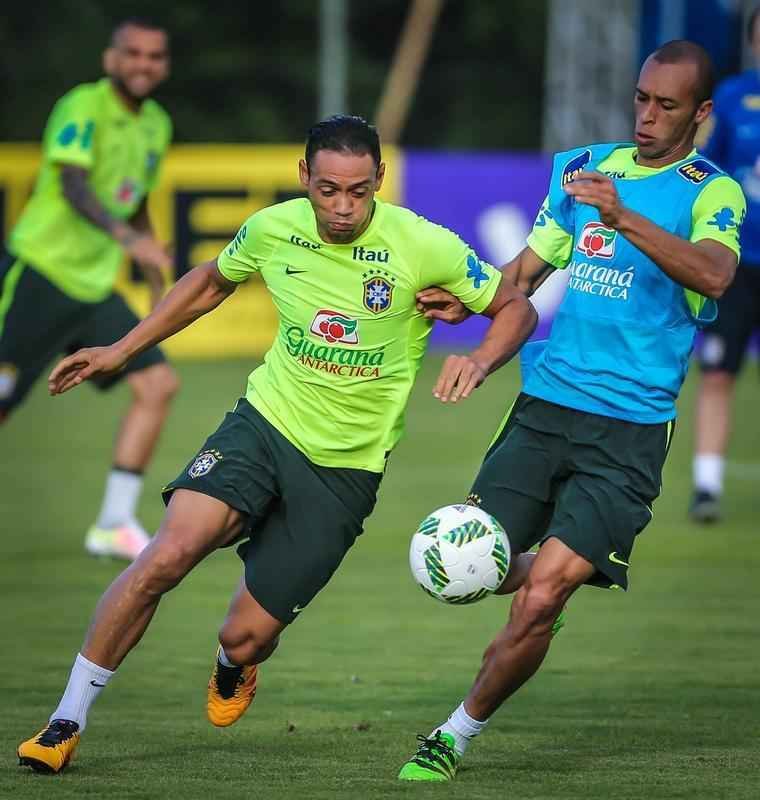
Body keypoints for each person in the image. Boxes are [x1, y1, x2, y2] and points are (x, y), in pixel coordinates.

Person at [16, 114, 537, 774]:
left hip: (344, 473)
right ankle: (65, 721)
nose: (342, 207)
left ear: (379, 181)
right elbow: (210, 281)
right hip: (263, 426)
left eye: (358, 191)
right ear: (303, 179)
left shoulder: (421, 244)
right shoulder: (272, 228)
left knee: (246, 635)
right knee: (165, 556)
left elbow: (514, 306)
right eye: (327, 190)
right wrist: (121, 349)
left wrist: (482, 360)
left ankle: (234, 664)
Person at [399, 40, 745, 782]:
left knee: (541, 601)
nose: (648, 116)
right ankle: (537, 561)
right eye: (642, 100)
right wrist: (466, 303)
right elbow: (527, 270)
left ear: (702, 114)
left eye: (668, 105)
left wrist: (625, 220)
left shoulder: (711, 192)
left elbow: (715, 275)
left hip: (629, 433)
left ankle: (452, 736)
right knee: (482, 569)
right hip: (544, 410)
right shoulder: (586, 170)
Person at [0, 18, 178, 560]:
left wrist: (151, 263)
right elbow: (72, 184)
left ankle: (113, 522)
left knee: (159, 385)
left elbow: (136, 198)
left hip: (95, 288)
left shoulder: (157, 125)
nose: (143, 64)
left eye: (154, 56)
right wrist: (128, 239)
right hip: (40, 273)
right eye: (133, 54)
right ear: (111, 59)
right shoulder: (82, 105)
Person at [690, 6, 760, 522]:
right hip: (735, 263)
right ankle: (706, 486)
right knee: (717, 372)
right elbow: (703, 167)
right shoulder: (734, 98)